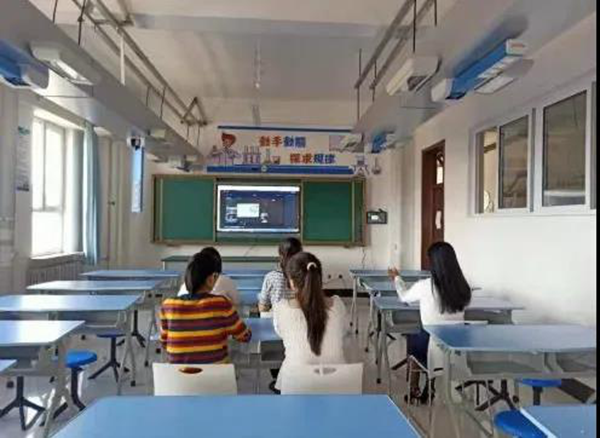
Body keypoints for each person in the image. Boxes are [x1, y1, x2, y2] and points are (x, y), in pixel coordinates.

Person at [389, 241, 472, 403]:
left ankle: (414, 388)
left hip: (431, 345)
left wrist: (397, 278)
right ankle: (430, 383)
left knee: (414, 339)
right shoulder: (463, 287)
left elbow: (404, 297)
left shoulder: (425, 286)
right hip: (457, 348)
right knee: (425, 338)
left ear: (433, 263)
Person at [273, 252, 347, 391]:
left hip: (296, 387)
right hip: (337, 388)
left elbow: (281, 333)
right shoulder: (338, 305)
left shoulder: (281, 307)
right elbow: (343, 332)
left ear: (292, 283)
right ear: (320, 278)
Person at [160, 251, 251, 364]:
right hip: (216, 374)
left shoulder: (168, 305)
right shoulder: (221, 304)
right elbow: (244, 336)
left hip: (178, 374)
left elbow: (164, 342)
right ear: (211, 279)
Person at [258, 237, 303, 313]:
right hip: (299, 317)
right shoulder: (306, 276)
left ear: (280, 255)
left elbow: (263, 308)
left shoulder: (271, 277)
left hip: (277, 318)